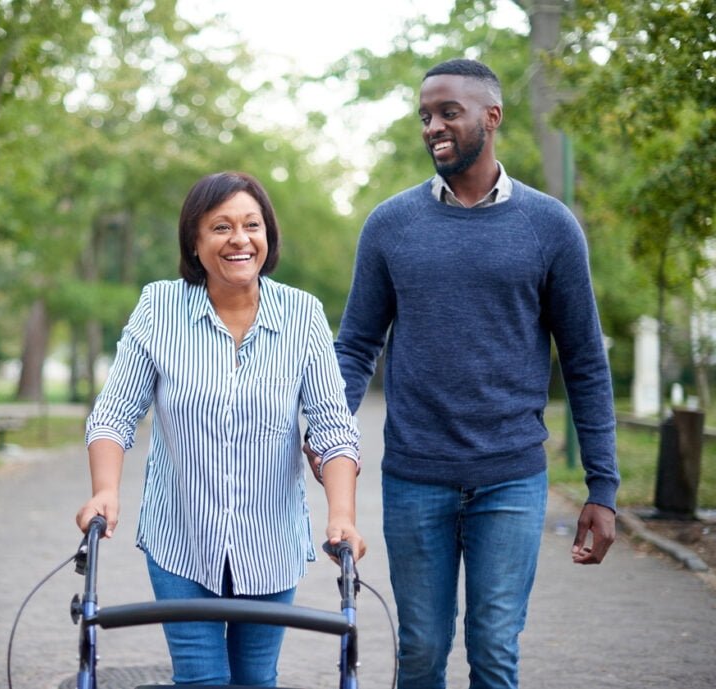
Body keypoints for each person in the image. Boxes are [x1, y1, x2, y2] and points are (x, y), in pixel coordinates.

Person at [329, 59, 620, 688]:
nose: (433, 126)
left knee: (493, 651)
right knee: (421, 652)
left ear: (491, 117)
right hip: (414, 477)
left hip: (511, 479)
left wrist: (602, 489)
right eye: (425, 116)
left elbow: (585, 365)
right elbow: (354, 346)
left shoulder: (551, 227)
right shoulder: (389, 225)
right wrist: (329, 430)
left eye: (448, 113)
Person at [75, 171, 364, 687]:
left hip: (269, 542)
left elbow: (332, 427)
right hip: (181, 536)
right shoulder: (160, 307)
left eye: (252, 225)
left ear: (268, 235)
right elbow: (116, 413)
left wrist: (341, 517)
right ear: (195, 240)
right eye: (221, 227)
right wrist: (104, 492)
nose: (239, 239)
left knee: (255, 679)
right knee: (202, 680)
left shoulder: (303, 315)